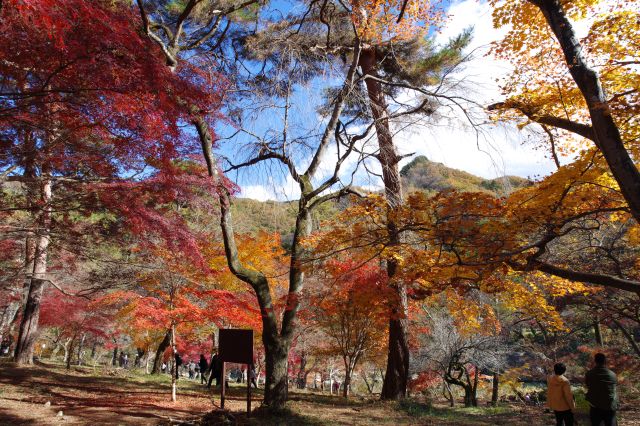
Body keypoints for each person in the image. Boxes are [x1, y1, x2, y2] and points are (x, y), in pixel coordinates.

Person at [585, 353, 618, 426]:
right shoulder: (612, 374)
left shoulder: (589, 374)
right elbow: (614, 387)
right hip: (610, 405)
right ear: (605, 361)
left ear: (595, 361)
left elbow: (588, 385)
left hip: (595, 405)